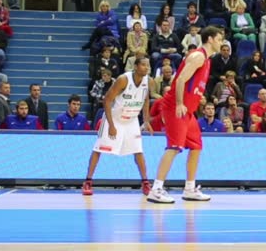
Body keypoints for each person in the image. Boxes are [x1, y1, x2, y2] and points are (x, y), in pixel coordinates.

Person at [147, 26, 225, 204]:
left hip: (187, 110)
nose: (222, 42)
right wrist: (180, 103)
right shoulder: (198, 56)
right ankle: (156, 189)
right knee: (174, 147)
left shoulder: (207, 60)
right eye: (219, 39)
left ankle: (189, 188)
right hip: (176, 107)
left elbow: (192, 83)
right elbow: (180, 79)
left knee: (196, 145)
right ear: (210, 39)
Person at [83, 57, 154, 196]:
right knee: (99, 148)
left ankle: (145, 182)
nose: (147, 68)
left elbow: (146, 100)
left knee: (138, 150)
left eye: (148, 65)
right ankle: (88, 181)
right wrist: (110, 124)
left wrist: (146, 121)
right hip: (115, 118)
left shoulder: (148, 81)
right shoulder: (123, 79)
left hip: (132, 120)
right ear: (136, 66)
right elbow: (107, 100)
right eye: (144, 65)